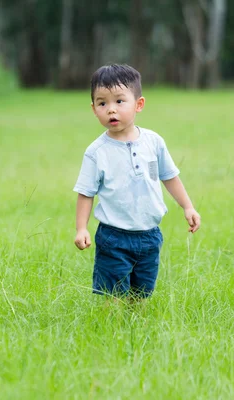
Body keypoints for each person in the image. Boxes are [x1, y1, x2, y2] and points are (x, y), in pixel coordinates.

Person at [73, 63, 201, 299]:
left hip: (150, 234)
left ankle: (136, 329)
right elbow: (86, 192)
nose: (111, 110)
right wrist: (82, 228)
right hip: (113, 236)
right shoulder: (97, 152)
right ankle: (110, 330)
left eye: (120, 101)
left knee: (141, 293)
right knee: (112, 294)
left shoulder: (153, 142)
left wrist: (188, 206)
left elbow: (169, 176)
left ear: (138, 104)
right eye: (102, 103)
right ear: (94, 109)